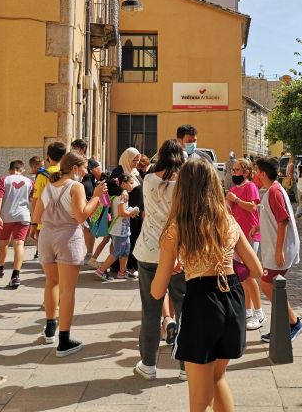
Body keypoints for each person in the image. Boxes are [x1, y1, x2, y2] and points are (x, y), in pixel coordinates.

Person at [151, 159, 263, 412]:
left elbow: (158, 290)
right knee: (219, 377)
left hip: (202, 301)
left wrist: (186, 264)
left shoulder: (177, 228)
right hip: (232, 298)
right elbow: (256, 270)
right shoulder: (228, 222)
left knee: (199, 397)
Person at [31, 151, 106, 356]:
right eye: (83, 168)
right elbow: (81, 215)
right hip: (68, 237)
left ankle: (49, 328)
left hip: (46, 235)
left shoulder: (48, 187)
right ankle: (64, 340)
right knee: (68, 290)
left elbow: (36, 216)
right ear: (74, 168)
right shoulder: (76, 186)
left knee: (51, 283)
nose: (85, 172)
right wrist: (97, 198)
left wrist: (33, 228)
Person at [132, 139, 187, 381]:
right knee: (185, 308)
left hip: (149, 249)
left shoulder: (149, 179)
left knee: (150, 309)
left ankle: (148, 363)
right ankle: (187, 365)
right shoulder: (185, 183)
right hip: (178, 251)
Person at [250, 156, 302, 343]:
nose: (254, 175)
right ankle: (284, 325)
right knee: (271, 286)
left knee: (267, 285)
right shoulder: (272, 190)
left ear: (263, 174)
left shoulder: (274, 191)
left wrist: (279, 250)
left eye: (256, 172)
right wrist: (259, 227)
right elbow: (274, 217)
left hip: (279, 249)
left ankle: (294, 323)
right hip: (276, 248)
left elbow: (283, 221)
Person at [225, 158, 266, 330]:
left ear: (246, 172)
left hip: (248, 235)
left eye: (237, 170)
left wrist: (236, 200)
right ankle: (247, 311)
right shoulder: (233, 189)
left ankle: (259, 312)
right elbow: (228, 210)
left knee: (248, 275)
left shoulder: (250, 187)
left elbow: (253, 208)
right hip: (235, 236)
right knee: (241, 276)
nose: (234, 173)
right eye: (233, 170)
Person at [0, 160, 33, 288]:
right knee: (19, 244)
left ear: (10, 170)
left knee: (3, 242)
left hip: (6, 216)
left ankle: (0, 267)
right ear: (22, 170)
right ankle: (16, 275)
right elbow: (33, 199)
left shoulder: (4, 180)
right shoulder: (30, 182)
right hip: (23, 216)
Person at [94, 173, 140, 281]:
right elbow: (121, 212)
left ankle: (122, 272)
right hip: (119, 229)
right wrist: (133, 212)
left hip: (121, 228)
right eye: (131, 183)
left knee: (126, 250)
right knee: (118, 251)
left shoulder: (120, 194)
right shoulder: (123, 196)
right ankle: (101, 270)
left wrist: (130, 211)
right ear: (123, 184)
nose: (132, 186)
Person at [29, 141, 67, 241]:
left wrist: (33, 224)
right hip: (66, 224)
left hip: (46, 224)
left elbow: (35, 202)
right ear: (63, 156)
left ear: (48, 156)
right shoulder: (68, 174)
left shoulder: (42, 176)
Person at [82, 158, 102, 260]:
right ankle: (90, 253)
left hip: (88, 208)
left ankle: (89, 253)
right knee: (89, 230)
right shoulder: (90, 182)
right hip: (90, 208)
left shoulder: (85, 182)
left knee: (88, 230)